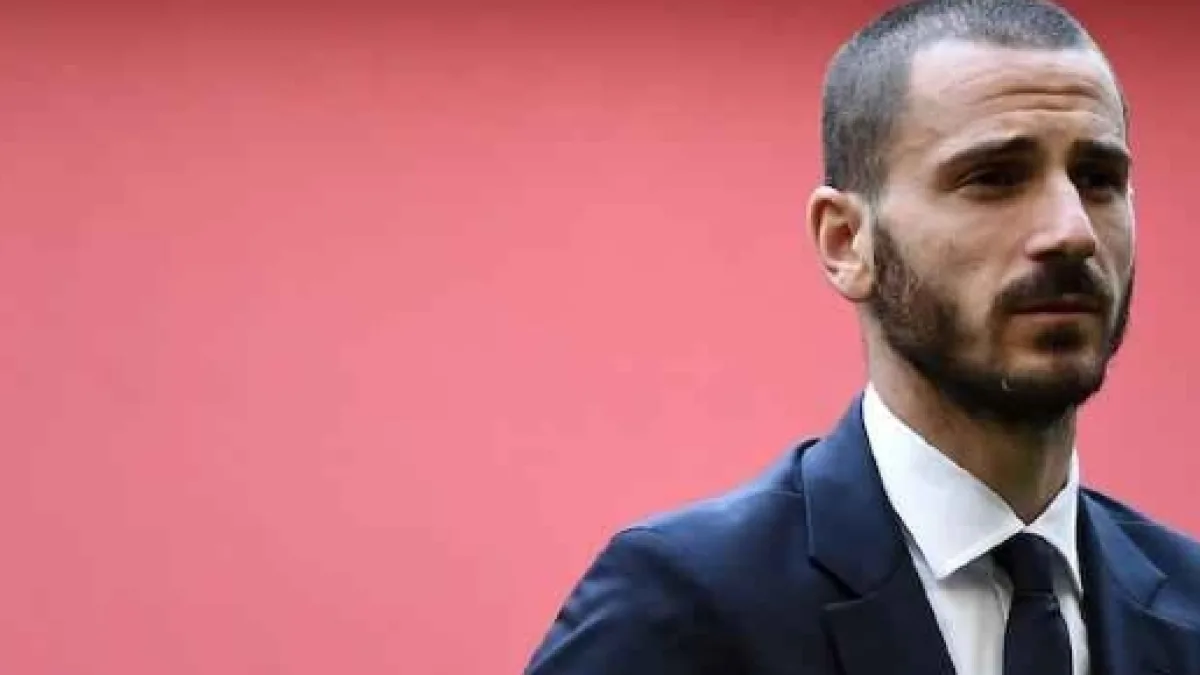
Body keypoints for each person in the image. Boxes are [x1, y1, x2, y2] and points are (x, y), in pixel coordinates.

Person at [523, 0, 1200, 673]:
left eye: (1099, 180)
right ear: (847, 241)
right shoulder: (682, 609)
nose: (1073, 230)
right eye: (993, 179)